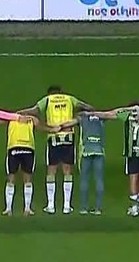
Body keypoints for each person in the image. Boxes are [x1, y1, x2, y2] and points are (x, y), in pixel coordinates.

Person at [19, 86, 94, 215]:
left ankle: (51, 206)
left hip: (54, 137)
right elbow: (86, 107)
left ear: (50, 93)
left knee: (51, 171)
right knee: (67, 171)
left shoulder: (47, 100)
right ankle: (66, 206)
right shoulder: (70, 99)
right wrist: (85, 112)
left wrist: (19, 112)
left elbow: (34, 110)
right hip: (68, 137)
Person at [56, 106, 136, 214]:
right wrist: (131, 108)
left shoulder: (82, 118)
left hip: (86, 152)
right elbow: (114, 112)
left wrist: (54, 127)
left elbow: (67, 124)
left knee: (84, 179)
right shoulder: (101, 117)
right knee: (99, 180)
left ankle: (84, 208)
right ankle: (98, 208)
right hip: (99, 151)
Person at [1, 112, 39, 215]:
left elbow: (38, 123)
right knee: (12, 177)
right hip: (16, 148)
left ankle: (27, 208)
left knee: (27, 178)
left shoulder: (30, 120)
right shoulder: (12, 118)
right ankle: (9, 208)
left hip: (27, 149)